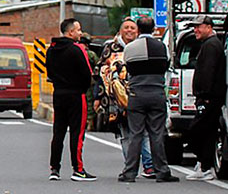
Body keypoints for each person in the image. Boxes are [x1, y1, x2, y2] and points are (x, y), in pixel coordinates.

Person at [118, 16, 179, 183]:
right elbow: (166, 65)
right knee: (157, 134)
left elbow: (127, 67)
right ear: (153, 29)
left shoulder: (130, 48)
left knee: (135, 134)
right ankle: (162, 172)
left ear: (138, 29)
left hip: (136, 94)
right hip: (156, 92)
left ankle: (129, 173)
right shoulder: (161, 47)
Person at [94, 18, 155, 177]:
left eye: (132, 28)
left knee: (145, 130)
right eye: (126, 27)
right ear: (120, 30)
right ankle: (130, 166)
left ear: (138, 31)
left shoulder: (141, 46)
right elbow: (100, 73)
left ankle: (149, 165)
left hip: (140, 94)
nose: (129, 31)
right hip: (117, 98)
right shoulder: (110, 48)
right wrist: (97, 97)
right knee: (125, 132)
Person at [46, 18, 96, 181]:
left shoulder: (51, 49)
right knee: (77, 132)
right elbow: (87, 74)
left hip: (58, 93)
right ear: (70, 32)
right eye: (78, 30)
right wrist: (82, 88)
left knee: (58, 132)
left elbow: (49, 73)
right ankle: (78, 169)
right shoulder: (77, 49)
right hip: (76, 94)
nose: (80, 33)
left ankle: (54, 169)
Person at [186, 15, 227, 180]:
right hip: (210, 97)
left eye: (199, 26)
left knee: (196, 131)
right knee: (208, 132)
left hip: (209, 98)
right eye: (194, 27)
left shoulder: (211, 45)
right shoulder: (210, 44)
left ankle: (205, 165)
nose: (195, 30)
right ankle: (204, 165)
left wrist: (205, 95)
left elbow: (209, 71)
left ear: (209, 27)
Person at [80, 33, 99, 130]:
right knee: (89, 101)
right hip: (89, 82)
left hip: (75, 82)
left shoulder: (75, 51)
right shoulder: (91, 54)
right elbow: (98, 65)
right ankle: (90, 122)